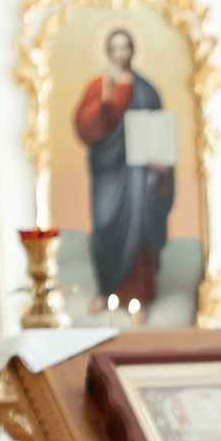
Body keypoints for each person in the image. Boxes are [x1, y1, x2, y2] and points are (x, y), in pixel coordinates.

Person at [72, 27, 174, 308]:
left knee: (139, 225)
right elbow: (84, 128)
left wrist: (160, 163)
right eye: (115, 48)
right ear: (108, 51)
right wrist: (104, 101)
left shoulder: (146, 89)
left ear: (133, 50)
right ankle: (106, 291)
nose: (121, 53)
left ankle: (138, 296)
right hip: (108, 169)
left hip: (139, 172)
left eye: (125, 47)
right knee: (104, 223)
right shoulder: (98, 85)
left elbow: (159, 132)